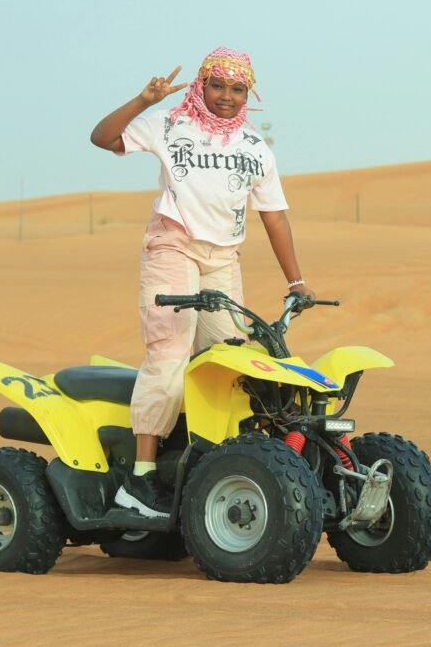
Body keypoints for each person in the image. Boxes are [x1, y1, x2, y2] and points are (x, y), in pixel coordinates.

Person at [90, 47, 314, 518]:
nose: (226, 97)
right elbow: (102, 137)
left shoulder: (255, 148)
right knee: (170, 356)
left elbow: (273, 216)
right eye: (217, 86)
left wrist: (297, 280)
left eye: (237, 89)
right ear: (202, 85)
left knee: (236, 357)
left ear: (248, 94)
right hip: (172, 247)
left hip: (222, 258)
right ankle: (141, 481)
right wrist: (142, 100)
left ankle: (221, 463)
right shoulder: (171, 124)